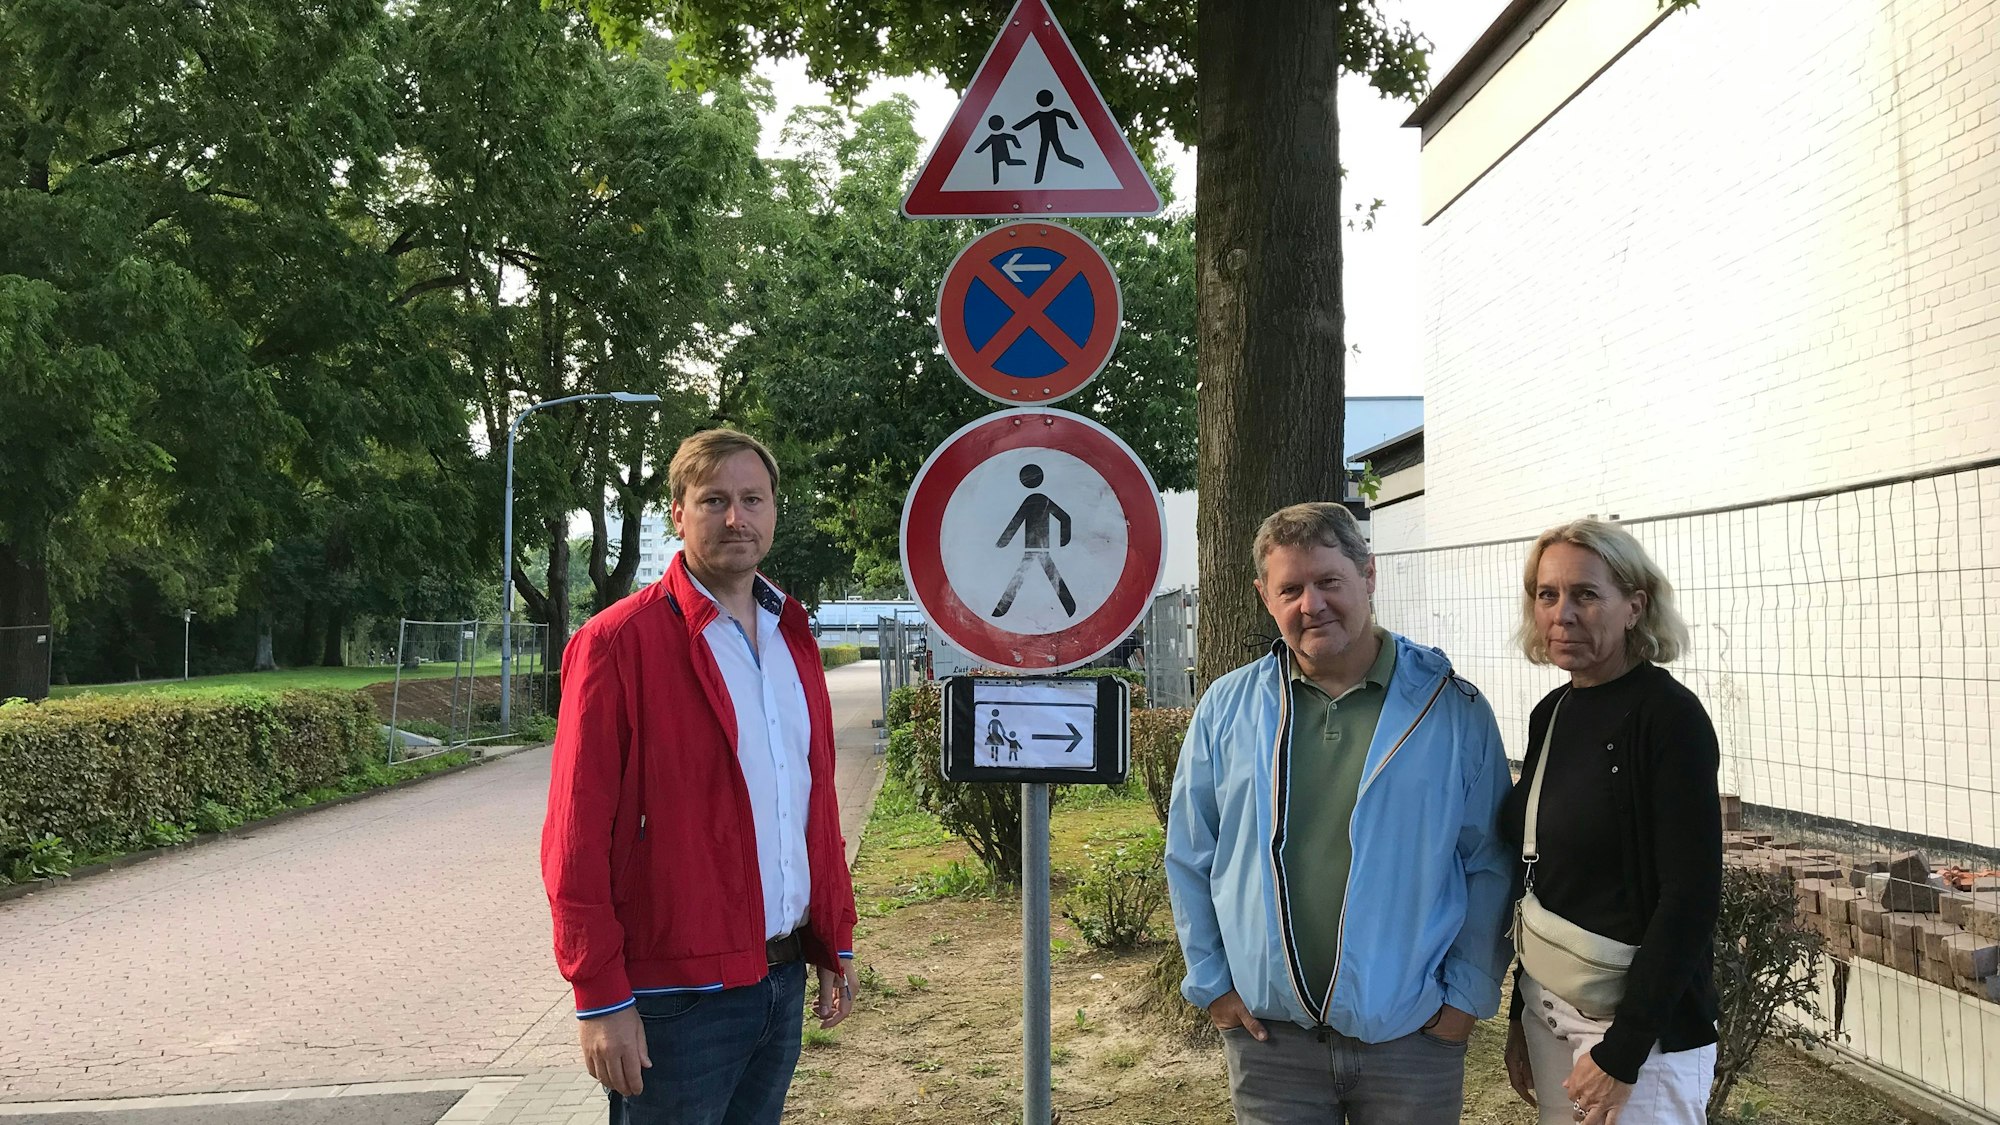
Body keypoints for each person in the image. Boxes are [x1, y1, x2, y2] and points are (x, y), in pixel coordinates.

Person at [542, 428, 860, 1125]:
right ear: (678, 514)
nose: (736, 517)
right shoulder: (616, 644)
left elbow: (811, 807)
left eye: (752, 498)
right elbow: (575, 837)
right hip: (673, 1001)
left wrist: (832, 938)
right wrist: (599, 995)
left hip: (780, 977)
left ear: (775, 510)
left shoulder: (793, 638)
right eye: (714, 499)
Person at [1165, 502, 1513, 1125]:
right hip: (1271, 1043)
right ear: (1264, 597)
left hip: (1412, 1037)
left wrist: (1464, 999)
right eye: (1291, 588)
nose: (1312, 604)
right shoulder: (1225, 707)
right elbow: (1191, 853)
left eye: (1329, 582)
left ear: (1369, 575)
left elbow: (1486, 862)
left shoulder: (1451, 708)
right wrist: (1213, 984)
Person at [1500, 519, 1721, 1125]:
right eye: (1547, 595)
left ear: (1634, 607)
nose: (1563, 614)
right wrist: (1522, 1009)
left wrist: (1623, 1053)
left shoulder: (1668, 719)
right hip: (1550, 1004)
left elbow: (1691, 898)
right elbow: (1545, 872)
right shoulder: (1555, 711)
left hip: (1634, 1029)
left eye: (1586, 595)